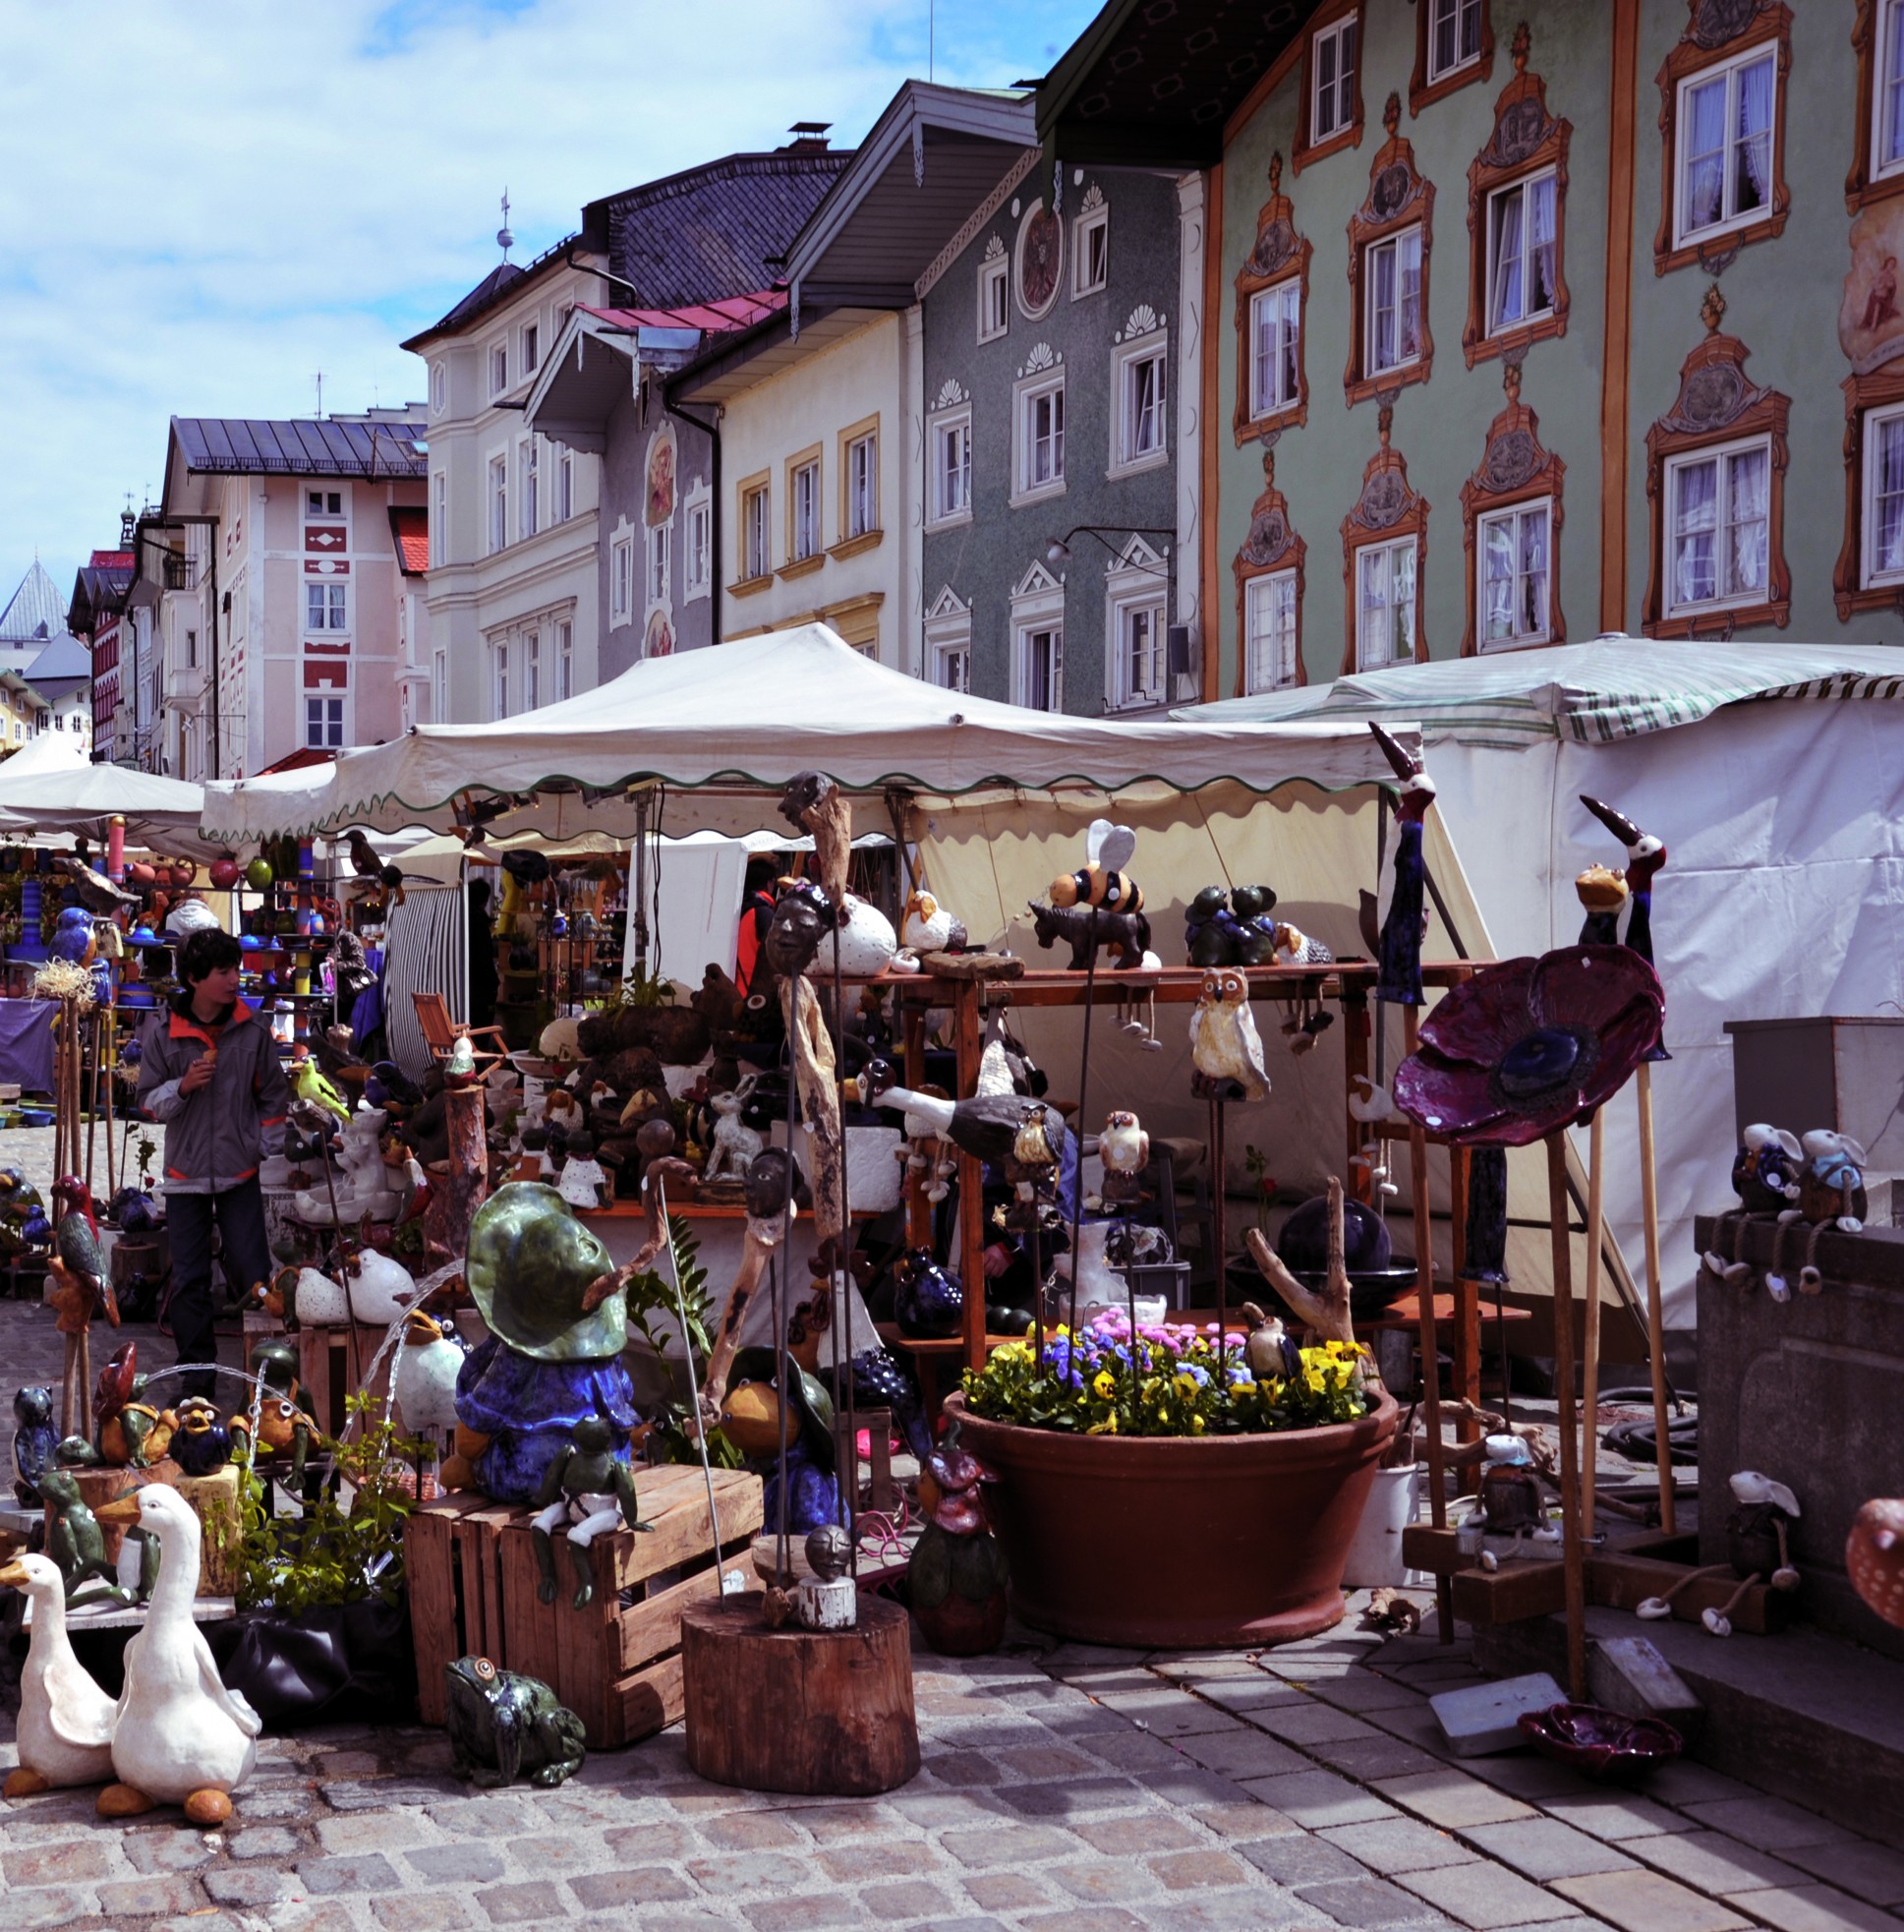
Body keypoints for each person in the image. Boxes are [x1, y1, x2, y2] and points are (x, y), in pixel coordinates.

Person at [135, 927, 290, 1392]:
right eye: (224, 971)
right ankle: (196, 1385)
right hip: (184, 1178)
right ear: (195, 979)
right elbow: (145, 1101)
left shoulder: (254, 1028)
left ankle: (267, 1378)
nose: (234, 978)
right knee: (190, 1282)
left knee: (254, 1276)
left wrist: (263, 1147)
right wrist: (181, 1088)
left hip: (240, 1173)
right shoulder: (162, 1032)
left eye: (236, 968)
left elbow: (274, 1096)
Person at [467, 877, 499, 1030]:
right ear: (484, 900)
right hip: (480, 992)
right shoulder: (479, 922)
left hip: (469, 990)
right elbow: (483, 958)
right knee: (481, 1030)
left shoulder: (462, 918)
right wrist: (493, 984)